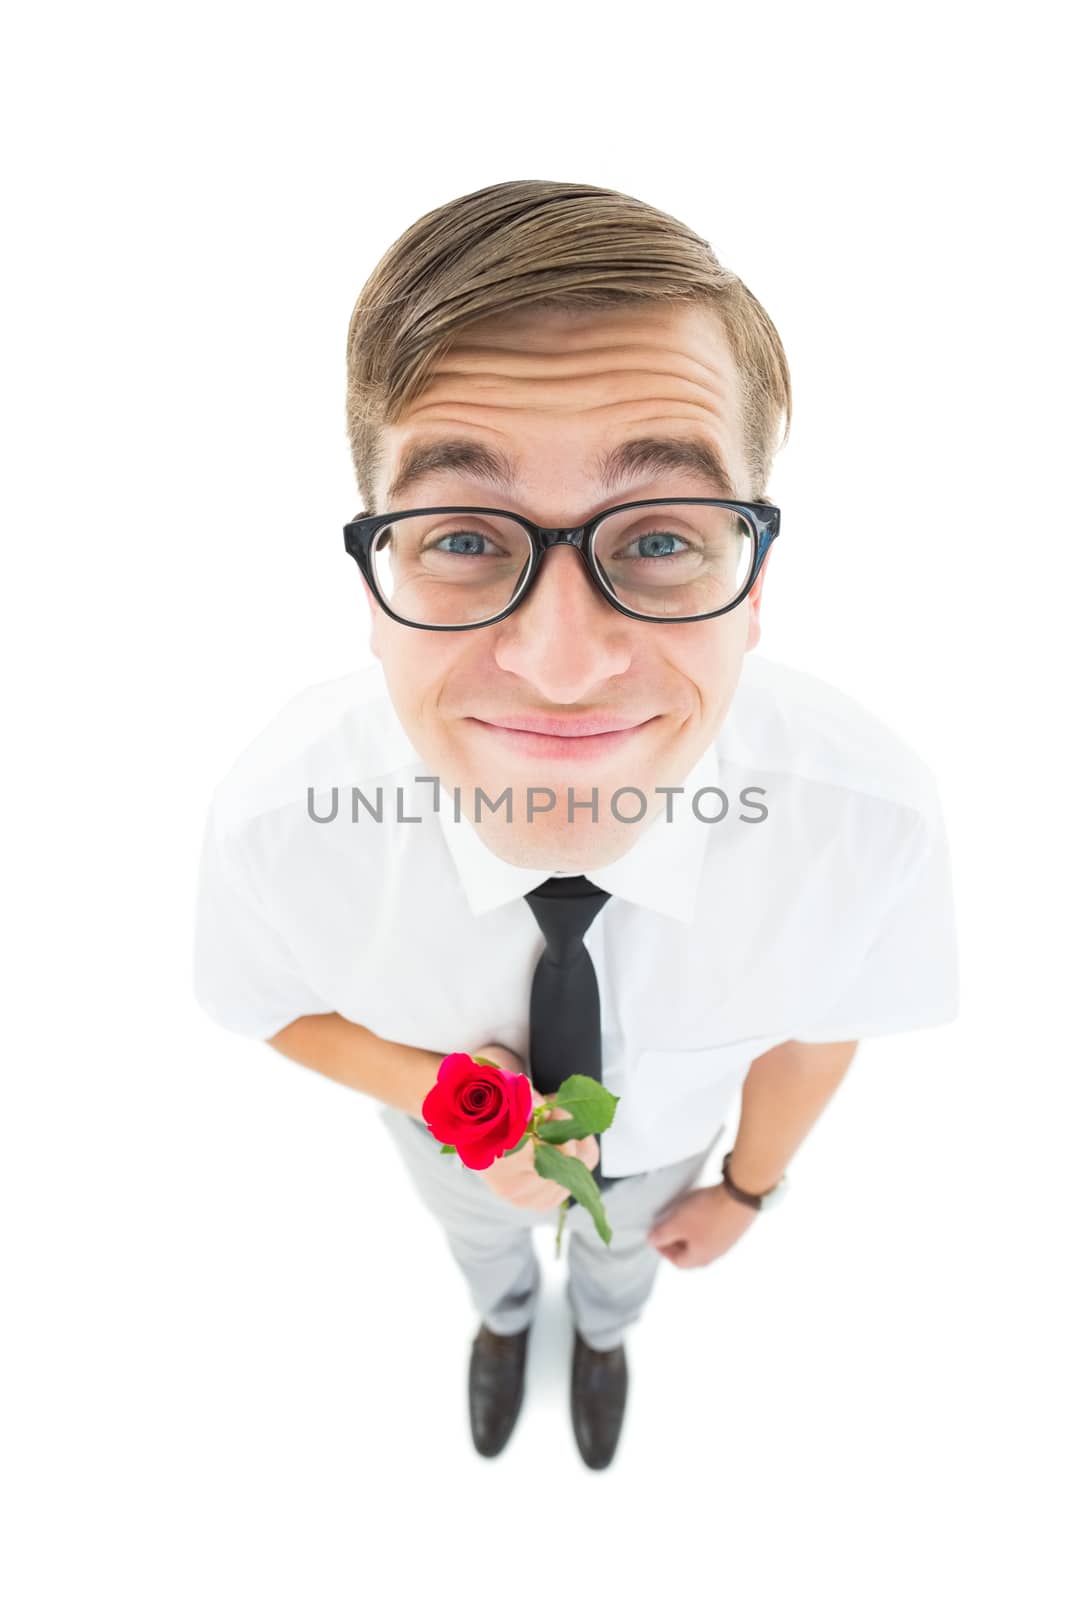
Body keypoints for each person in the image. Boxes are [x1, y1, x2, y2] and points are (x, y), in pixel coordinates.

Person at [192, 178, 959, 1471]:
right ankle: (502, 1323)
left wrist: (746, 1192)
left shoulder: (865, 822)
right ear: (377, 585)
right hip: (450, 1150)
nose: (559, 665)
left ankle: (599, 1338)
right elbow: (262, 1002)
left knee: (620, 1273)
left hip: (666, 1163)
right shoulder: (278, 825)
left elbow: (822, 1027)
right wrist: (444, 1097)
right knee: (481, 1247)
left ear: (753, 583)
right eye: (464, 538)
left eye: (660, 535)